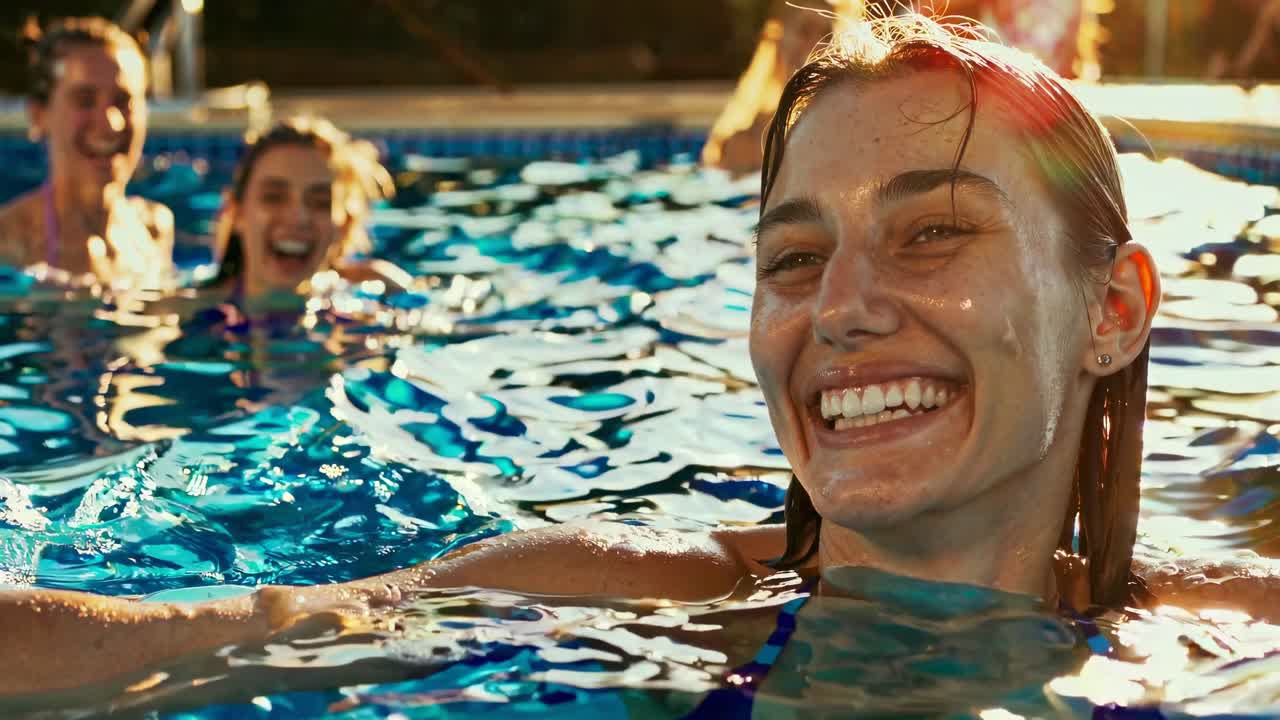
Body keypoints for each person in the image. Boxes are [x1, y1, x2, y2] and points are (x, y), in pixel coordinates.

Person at [2, 12, 1278, 701]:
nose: (837, 305)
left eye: (931, 231)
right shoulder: (614, 594)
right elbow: (200, 632)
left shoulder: (1239, 633)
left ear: (1112, 308)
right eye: (790, 257)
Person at [0, 16, 174, 291]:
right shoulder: (8, 243)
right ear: (39, 116)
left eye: (123, 101)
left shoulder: (154, 229)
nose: (111, 123)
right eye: (85, 100)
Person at [203, 116, 407, 304]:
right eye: (273, 197)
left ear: (344, 223)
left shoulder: (377, 296)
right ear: (237, 213)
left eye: (320, 202)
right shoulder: (181, 315)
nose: (297, 217)